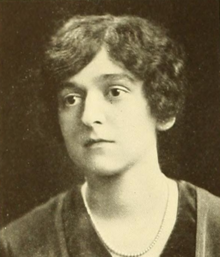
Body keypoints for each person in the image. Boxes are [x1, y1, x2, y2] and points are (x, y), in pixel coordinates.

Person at [0, 14, 220, 257]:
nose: (88, 116)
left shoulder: (214, 227)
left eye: (115, 91)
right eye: (71, 99)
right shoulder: (20, 244)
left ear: (161, 106)